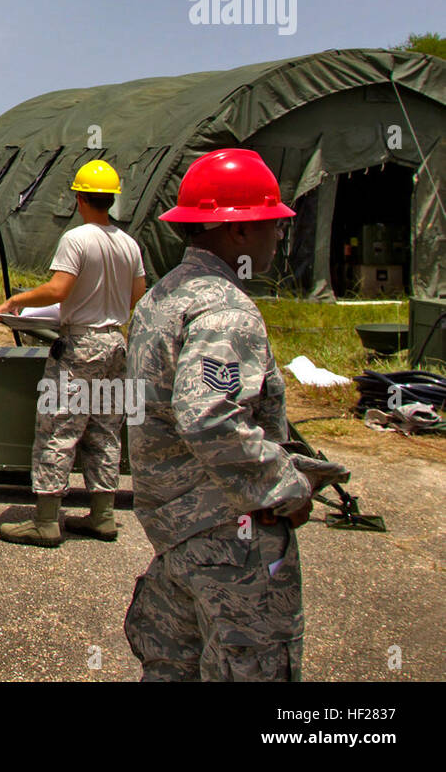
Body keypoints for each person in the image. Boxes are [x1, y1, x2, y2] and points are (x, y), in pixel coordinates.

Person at [123, 149, 320, 681]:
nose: (278, 236)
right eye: (270, 224)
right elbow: (209, 415)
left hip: (174, 532)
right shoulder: (225, 308)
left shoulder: (162, 298)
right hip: (230, 535)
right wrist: (283, 486)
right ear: (236, 233)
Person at [0, 159, 146, 546]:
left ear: (79, 198)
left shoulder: (77, 239)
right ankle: (103, 515)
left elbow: (59, 289)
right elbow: (136, 296)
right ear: (112, 199)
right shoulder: (129, 243)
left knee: (58, 429)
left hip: (80, 347)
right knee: (105, 431)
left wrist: (19, 299)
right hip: (115, 344)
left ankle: (46, 521)